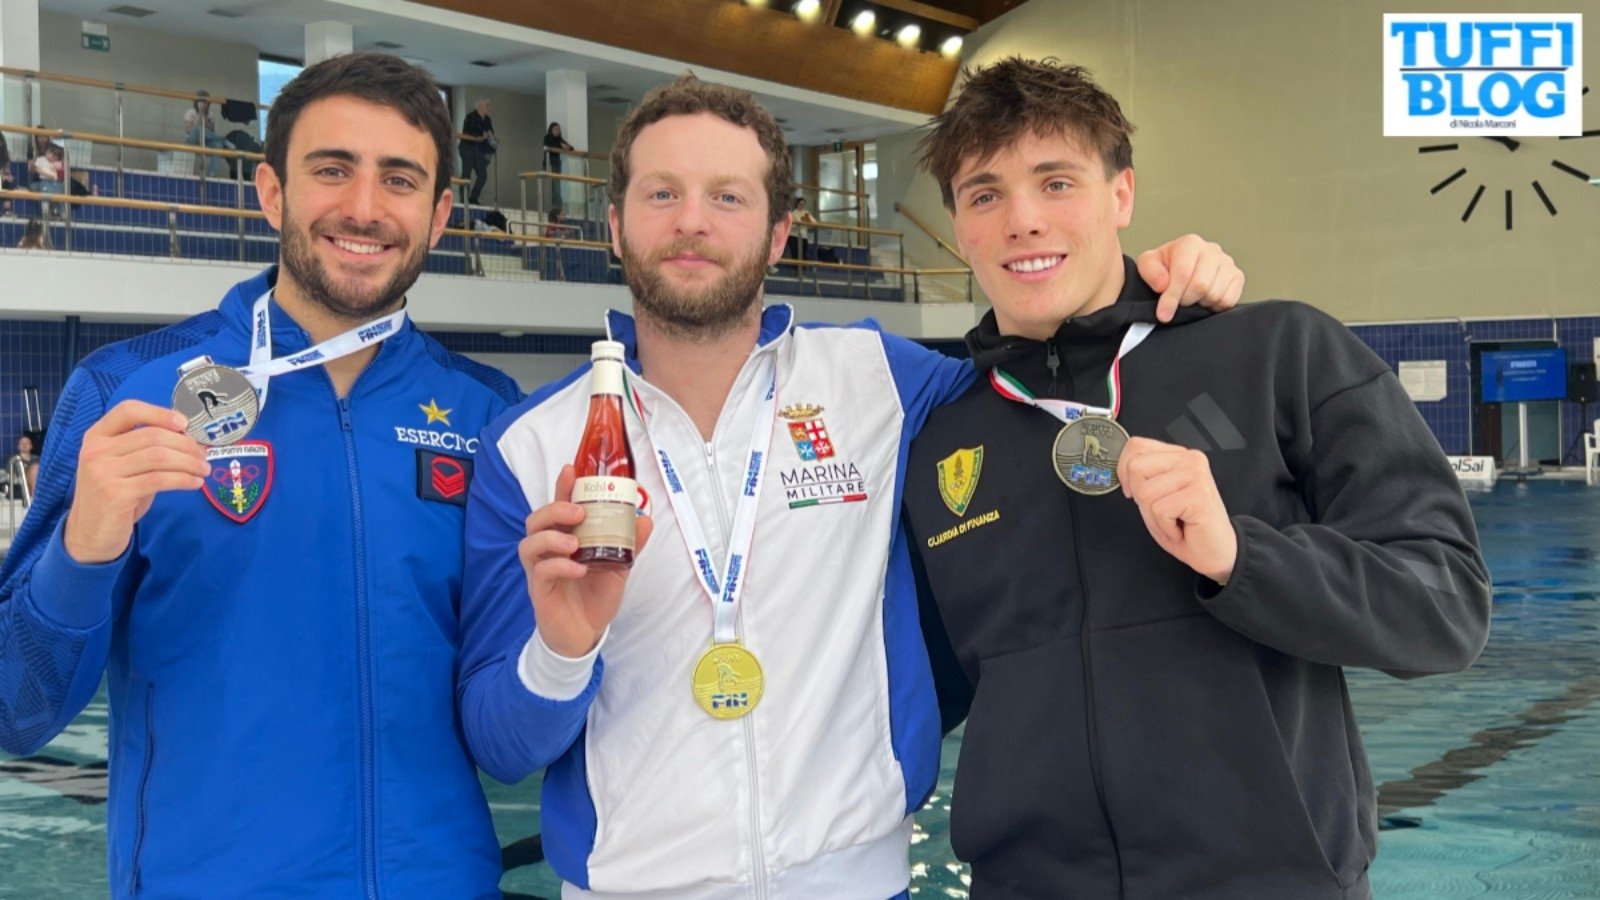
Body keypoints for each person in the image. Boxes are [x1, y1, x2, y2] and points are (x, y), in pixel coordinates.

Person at [457, 73, 1243, 898]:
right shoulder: (530, 448)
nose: (692, 221)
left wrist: (1154, 282)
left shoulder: (878, 379)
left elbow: (1052, 366)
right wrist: (563, 649)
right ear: (615, 226)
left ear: (778, 234)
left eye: (728, 196)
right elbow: (502, 749)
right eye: (662, 194)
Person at [899, 58, 1493, 899]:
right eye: (984, 194)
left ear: (1122, 195)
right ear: (960, 227)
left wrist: (1243, 559)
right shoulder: (942, 435)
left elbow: (1447, 608)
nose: (1022, 221)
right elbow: (918, 686)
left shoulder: (1279, 354)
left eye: (1057, 182)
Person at [0, 52, 517, 897]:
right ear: (272, 192)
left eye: (399, 179)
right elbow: (16, 711)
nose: (364, 207)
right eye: (332, 170)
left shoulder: (488, 414)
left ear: (439, 214)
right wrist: (82, 549)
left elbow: (520, 709)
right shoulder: (126, 391)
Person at [183, 93, 235, 177]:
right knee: (196, 129)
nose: (204, 104)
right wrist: (200, 114)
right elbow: (188, 131)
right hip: (192, 141)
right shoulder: (191, 112)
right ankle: (224, 140)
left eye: (206, 102)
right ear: (197, 102)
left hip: (205, 141)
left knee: (218, 144)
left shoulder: (210, 115)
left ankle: (212, 173)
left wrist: (206, 122)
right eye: (202, 101)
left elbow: (212, 133)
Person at [459, 97, 495, 205]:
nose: (489, 107)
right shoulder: (470, 117)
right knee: (466, 173)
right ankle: (464, 199)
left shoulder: (487, 119)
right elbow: (466, 134)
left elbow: (490, 133)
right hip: (467, 147)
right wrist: (480, 136)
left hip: (479, 150)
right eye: (487, 105)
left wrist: (491, 139)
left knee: (483, 175)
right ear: (480, 106)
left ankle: (473, 198)